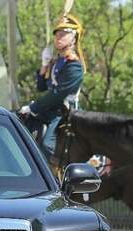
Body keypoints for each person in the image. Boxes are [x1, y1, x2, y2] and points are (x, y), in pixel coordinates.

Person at [19, 13, 86, 161]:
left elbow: (58, 94)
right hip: (51, 108)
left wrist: (34, 107)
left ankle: (59, 177)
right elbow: (41, 87)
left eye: (64, 34)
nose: (58, 37)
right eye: (57, 34)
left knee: (48, 145)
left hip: (64, 111)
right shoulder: (58, 62)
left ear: (74, 38)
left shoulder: (74, 65)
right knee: (21, 122)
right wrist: (44, 65)